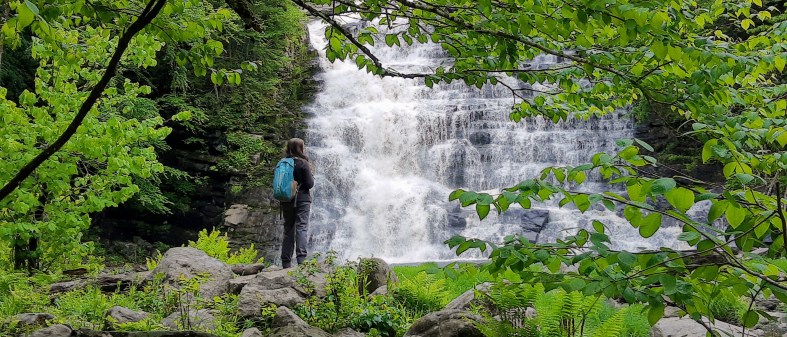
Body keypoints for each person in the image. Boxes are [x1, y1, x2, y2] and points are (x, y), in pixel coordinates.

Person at [280, 138, 314, 268]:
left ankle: (286, 262)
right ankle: (301, 261)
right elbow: (309, 184)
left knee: (288, 229)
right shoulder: (302, 163)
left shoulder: (282, 163)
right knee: (301, 227)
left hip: (287, 199)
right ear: (301, 148)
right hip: (302, 199)